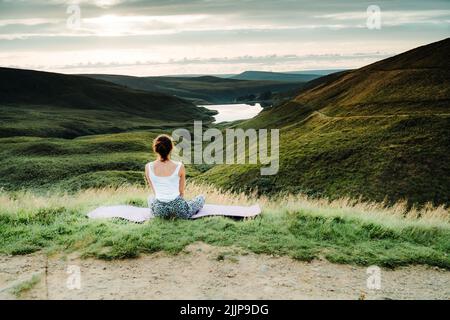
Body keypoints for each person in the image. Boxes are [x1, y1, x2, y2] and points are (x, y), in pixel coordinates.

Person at [145, 134, 205, 219]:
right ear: (171, 149)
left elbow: (154, 191)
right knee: (201, 198)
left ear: (155, 149)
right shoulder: (180, 166)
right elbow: (181, 193)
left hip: (159, 210)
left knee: (151, 198)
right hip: (178, 208)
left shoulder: (148, 167)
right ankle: (189, 205)